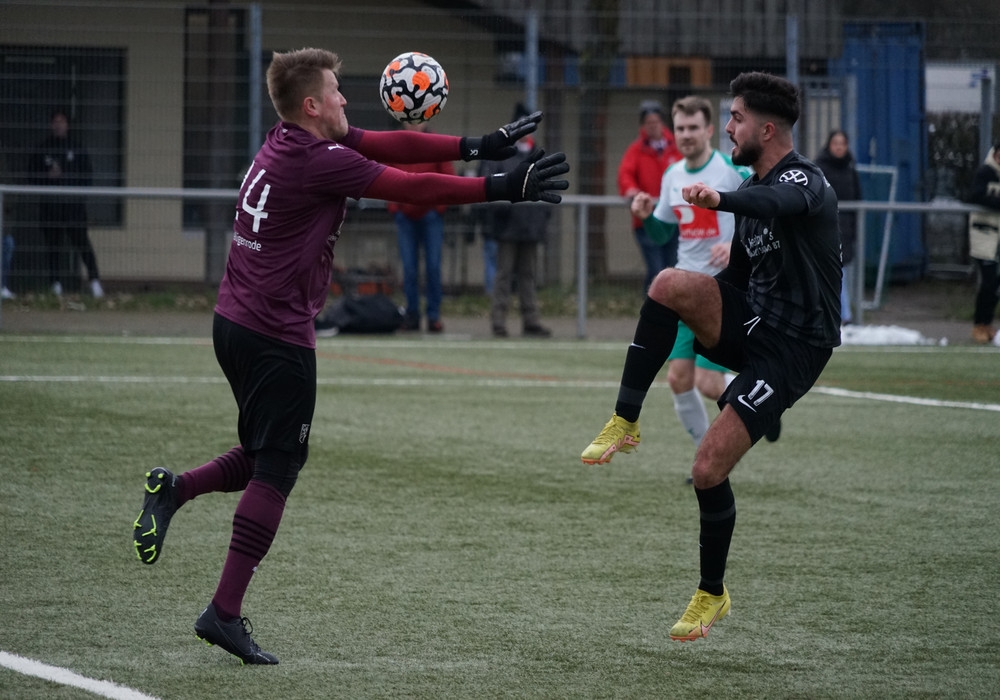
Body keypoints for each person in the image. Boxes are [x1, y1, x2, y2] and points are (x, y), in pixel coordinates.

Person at [131, 47, 568, 665]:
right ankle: (222, 613)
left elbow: (386, 144)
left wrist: (479, 145)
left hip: (234, 320)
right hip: (275, 333)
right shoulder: (319, 160)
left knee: (265, 451)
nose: (345, 99)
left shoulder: (287, 139)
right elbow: (409, 185)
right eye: (336, 91)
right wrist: (503, 186)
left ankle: (176, 491)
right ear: (312, 105)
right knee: (279, 466)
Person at [580, 72, 841, 642]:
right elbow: (736, 280)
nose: (727, 128)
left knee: (706, 469)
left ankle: (711, 594)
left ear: (766, 129)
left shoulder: (805, 179)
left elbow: (778, 200)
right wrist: (689, 307)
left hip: (795, 348)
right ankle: (625, 420)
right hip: (753, 321)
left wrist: (720, 199)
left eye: (736, 118)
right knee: (669, 283)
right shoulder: (747, 188)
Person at [602, 95, 751, 476]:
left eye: (693, 128)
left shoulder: (732, 171)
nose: (686, 135)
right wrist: (646, 216)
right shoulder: (672, 175)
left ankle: (756, 396)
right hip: (686, 291)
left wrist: (734, 247)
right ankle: (707, 457)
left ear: (709, 130)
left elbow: (760, 218)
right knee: (679, 379)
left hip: (722, 291)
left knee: (708, 382)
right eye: (680, 128)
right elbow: (662, 234)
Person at [478, 106, 553, 338]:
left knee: (528, 275)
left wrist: (541, 218)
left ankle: (531, 320)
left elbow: (548, 188)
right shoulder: (503, 154)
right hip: (507, 227)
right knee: (504, 275)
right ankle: (498, 321)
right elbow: (491, 183)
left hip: (530, 226)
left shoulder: (538, 154)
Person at [386, 120, 454, 332]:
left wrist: (438, 207)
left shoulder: (437, 143)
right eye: (410, 121)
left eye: (418, 121)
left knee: (433, 266)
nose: (414, 125)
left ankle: (433, 315)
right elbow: (385, 175)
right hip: (405, 216)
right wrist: (395, 208)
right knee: (409, 268)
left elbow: (449, 177)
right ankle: (412, 314)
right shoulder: (395, 143)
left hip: (430, 215)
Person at [33, 109, 103, 298]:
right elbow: (31, 177)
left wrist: (74, 191)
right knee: (53, 247)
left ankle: (95, 282)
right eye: (55, 122)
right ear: (51, 125)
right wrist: (47, 177)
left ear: (67, 125)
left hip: (74, 208)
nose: (58, 125)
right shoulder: (43, 149)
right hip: (51, 208)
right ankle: (55, 284)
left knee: (83, 244)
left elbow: (87, 176)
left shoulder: (77, 148)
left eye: (62, 121)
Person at [617, 100, 682, 290]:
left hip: (673, 219)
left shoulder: (676, 146)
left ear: (662, 123)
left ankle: (667, 305)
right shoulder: (636, 150)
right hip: (646, 219)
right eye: (648, 122)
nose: (653, 126)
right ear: (643, 126)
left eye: (656, 121)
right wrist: (631, 189)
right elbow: (625, 174)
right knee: (656, 270)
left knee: (672, 268)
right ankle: (653, 303)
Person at [815, 130, 862, 325]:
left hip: (846, 230)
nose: (839, 147)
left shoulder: (850, 168)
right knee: (830, 272)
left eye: (843, 143)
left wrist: (855, 228)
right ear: (829, 145)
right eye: (835, 143)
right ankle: (842, 315)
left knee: (842, 273)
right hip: (825, 229)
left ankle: (843, 315)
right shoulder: (819, 168)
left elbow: (857, 198)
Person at [967, 141, 1000, 344]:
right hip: (985, 236)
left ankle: (987, 324)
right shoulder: (985, 172)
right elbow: (974, 195)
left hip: (998, 239)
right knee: (988, 282)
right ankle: (979, 324)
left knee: (996, 284)